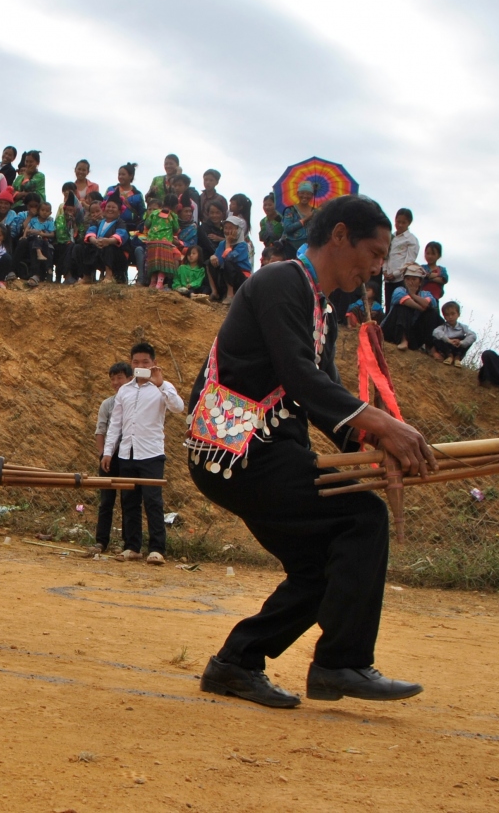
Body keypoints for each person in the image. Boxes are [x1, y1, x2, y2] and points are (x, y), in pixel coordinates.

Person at [189, 193, 432, 709]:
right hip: (238, 448)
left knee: (325, 566)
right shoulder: (280, 281)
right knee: (361, 518)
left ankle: (236, 662)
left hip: (266, 450)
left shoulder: (320, 305)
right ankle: (340, 663)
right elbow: (302, 378)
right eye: (373, 252)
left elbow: (327, 397)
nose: (375, 267)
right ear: (340, 235)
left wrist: (375, 448)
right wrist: (383, 426)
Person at [101, 342, 183, 564]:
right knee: (129, 500)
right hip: (127, 453)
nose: (140, 365)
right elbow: (116, 423)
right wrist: (108, 452)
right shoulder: (125, 391)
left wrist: (162, 384)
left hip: (151, 454)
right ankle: (132, 546)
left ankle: (157, 549)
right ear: (131, 363)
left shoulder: (162, 388)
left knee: (153, 501)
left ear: (154, 363)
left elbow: (178, 407)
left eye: (145, 362)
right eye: (136, 362)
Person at [91, 362, 134, 554]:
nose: (116, 382)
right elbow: (101, 430)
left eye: (120, 378)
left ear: (130, 379)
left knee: (128, 500)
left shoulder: (135, 403)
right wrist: (103, 454)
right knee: (106, 501)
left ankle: (128, 542)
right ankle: (101, 541)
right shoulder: (107, 404)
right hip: (110, 457)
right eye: (113, 379)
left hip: (129, 457)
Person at [379, 263, 441, 350]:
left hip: (413, 333)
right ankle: (403, 340)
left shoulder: (426, 294)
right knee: (403, 306)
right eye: (408, 279)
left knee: (431, 313)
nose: (410, 282)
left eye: (414, 279)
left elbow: (429, 304)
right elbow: (407, 301)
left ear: (420, 282)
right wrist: (421, 307)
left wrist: (413, 295)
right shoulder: (399, 290)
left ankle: (430, 347)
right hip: (392, 330)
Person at [207, 216, 254, 304]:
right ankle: (215, 292)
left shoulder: (242, 245)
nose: (228, 231)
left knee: (228, 262)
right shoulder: (222, 243)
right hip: (226, 275)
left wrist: (228, 243)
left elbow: (228, 257)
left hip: (241, 277)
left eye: (231, 228)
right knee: (209, 262)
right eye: (226, 228)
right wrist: (212, 257)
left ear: (238, 230)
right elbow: (218, 258)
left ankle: (230, 295)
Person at [83, 199, 129, 283]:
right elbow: (90, 232)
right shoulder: (98, 222)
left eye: (113, 207)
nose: (110, 209)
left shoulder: (120, 223)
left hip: (116, 255)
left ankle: (109, 275)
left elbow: (121, 235)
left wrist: (108, 241)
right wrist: (95, 241)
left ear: (119, 211)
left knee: (109, 247)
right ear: (104, 208)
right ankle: (87, 276)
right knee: (84, 247)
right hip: (99, 248)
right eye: (108, 206)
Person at [382, 207, 419, 311]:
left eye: (404, 222)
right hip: (388, 278)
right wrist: (385, 271)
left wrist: (395, 274)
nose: (400, 225)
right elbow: (386, 255)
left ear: (409, 223)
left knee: (400, 304)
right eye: (398, 222)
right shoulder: (391, 237)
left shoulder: (411, 240)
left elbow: (409, 261)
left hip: (400, 278)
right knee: (388, 305)